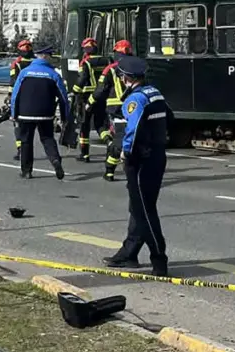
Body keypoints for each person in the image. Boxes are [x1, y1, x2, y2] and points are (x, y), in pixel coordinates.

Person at [101, 55, 173, 277]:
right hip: (157, 156)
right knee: (138, 207)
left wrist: (125, 151)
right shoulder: (155, 93)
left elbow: (132, 129)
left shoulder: (136, 100)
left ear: (125, 78)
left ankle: (159, 259)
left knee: (144, 212)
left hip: (141, 160)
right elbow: (169, 118)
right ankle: (129, 253)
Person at [10, 45, 68, 180]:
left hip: (25, 113)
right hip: (46, 114)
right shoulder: (53, 74)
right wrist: (65, 117)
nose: (52, 59)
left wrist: (14, 113)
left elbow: (15, 95)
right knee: (48, 139)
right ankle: (56, 161)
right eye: (51, 56)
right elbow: (63, 98)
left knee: (26, 141)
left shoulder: (24, 72)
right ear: (46, 57)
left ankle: (26, 171)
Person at [88, 40, 133, 181]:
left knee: (118, 139)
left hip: (116, 109)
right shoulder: (137, 66)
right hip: (134, 107)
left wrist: (90, 103)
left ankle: (109, 169)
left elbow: (100, 89)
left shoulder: (111, 68)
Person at [72, 38, 113, 162]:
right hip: (103, 97)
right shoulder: (108, 60)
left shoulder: (86, 62)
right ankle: (109, 141)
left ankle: (84, 154)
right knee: (101, 123)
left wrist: (74, 92)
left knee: (85, 125)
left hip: (86, 97)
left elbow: (81, 80)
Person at [8, 40, 35, 160]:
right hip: (37, 98)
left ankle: (20, 149)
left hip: (21, 97)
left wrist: (10, 96)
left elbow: (13, 82)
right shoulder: (36, 62)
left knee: (18, 125)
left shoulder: (16, 64)